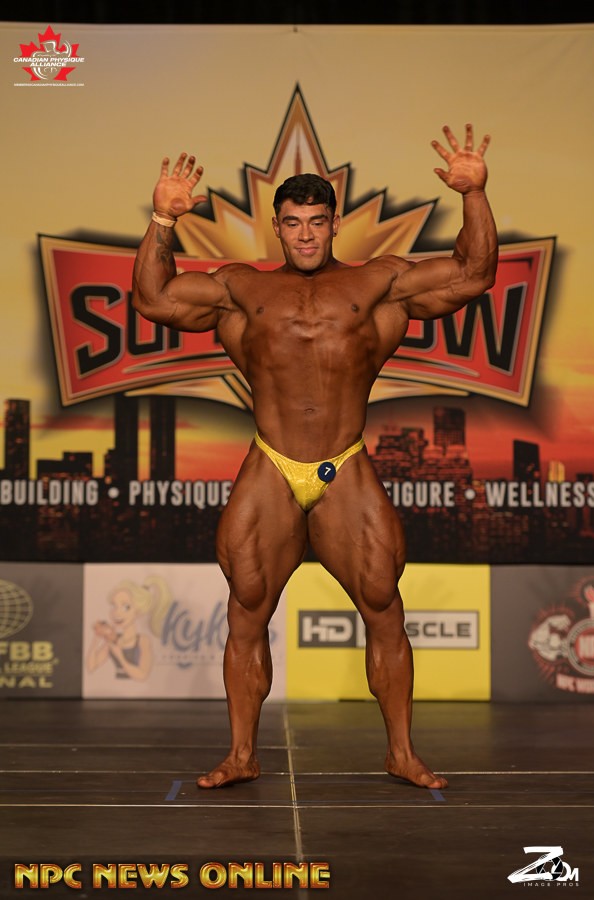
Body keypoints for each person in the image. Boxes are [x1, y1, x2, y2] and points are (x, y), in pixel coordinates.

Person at [132, 124, 498, 791]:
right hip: (271, 462)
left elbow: (473, 274)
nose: (305, 235)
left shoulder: (377, 283)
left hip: (344, 462)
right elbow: (153, 299)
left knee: (383, 601)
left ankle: (401, 752)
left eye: (317, 222)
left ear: (334, 225)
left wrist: (474, 195)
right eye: (293, 223)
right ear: (277, 227)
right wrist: (162, 220)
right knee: (247, 605)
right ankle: (242, 754)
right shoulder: (242, 289)